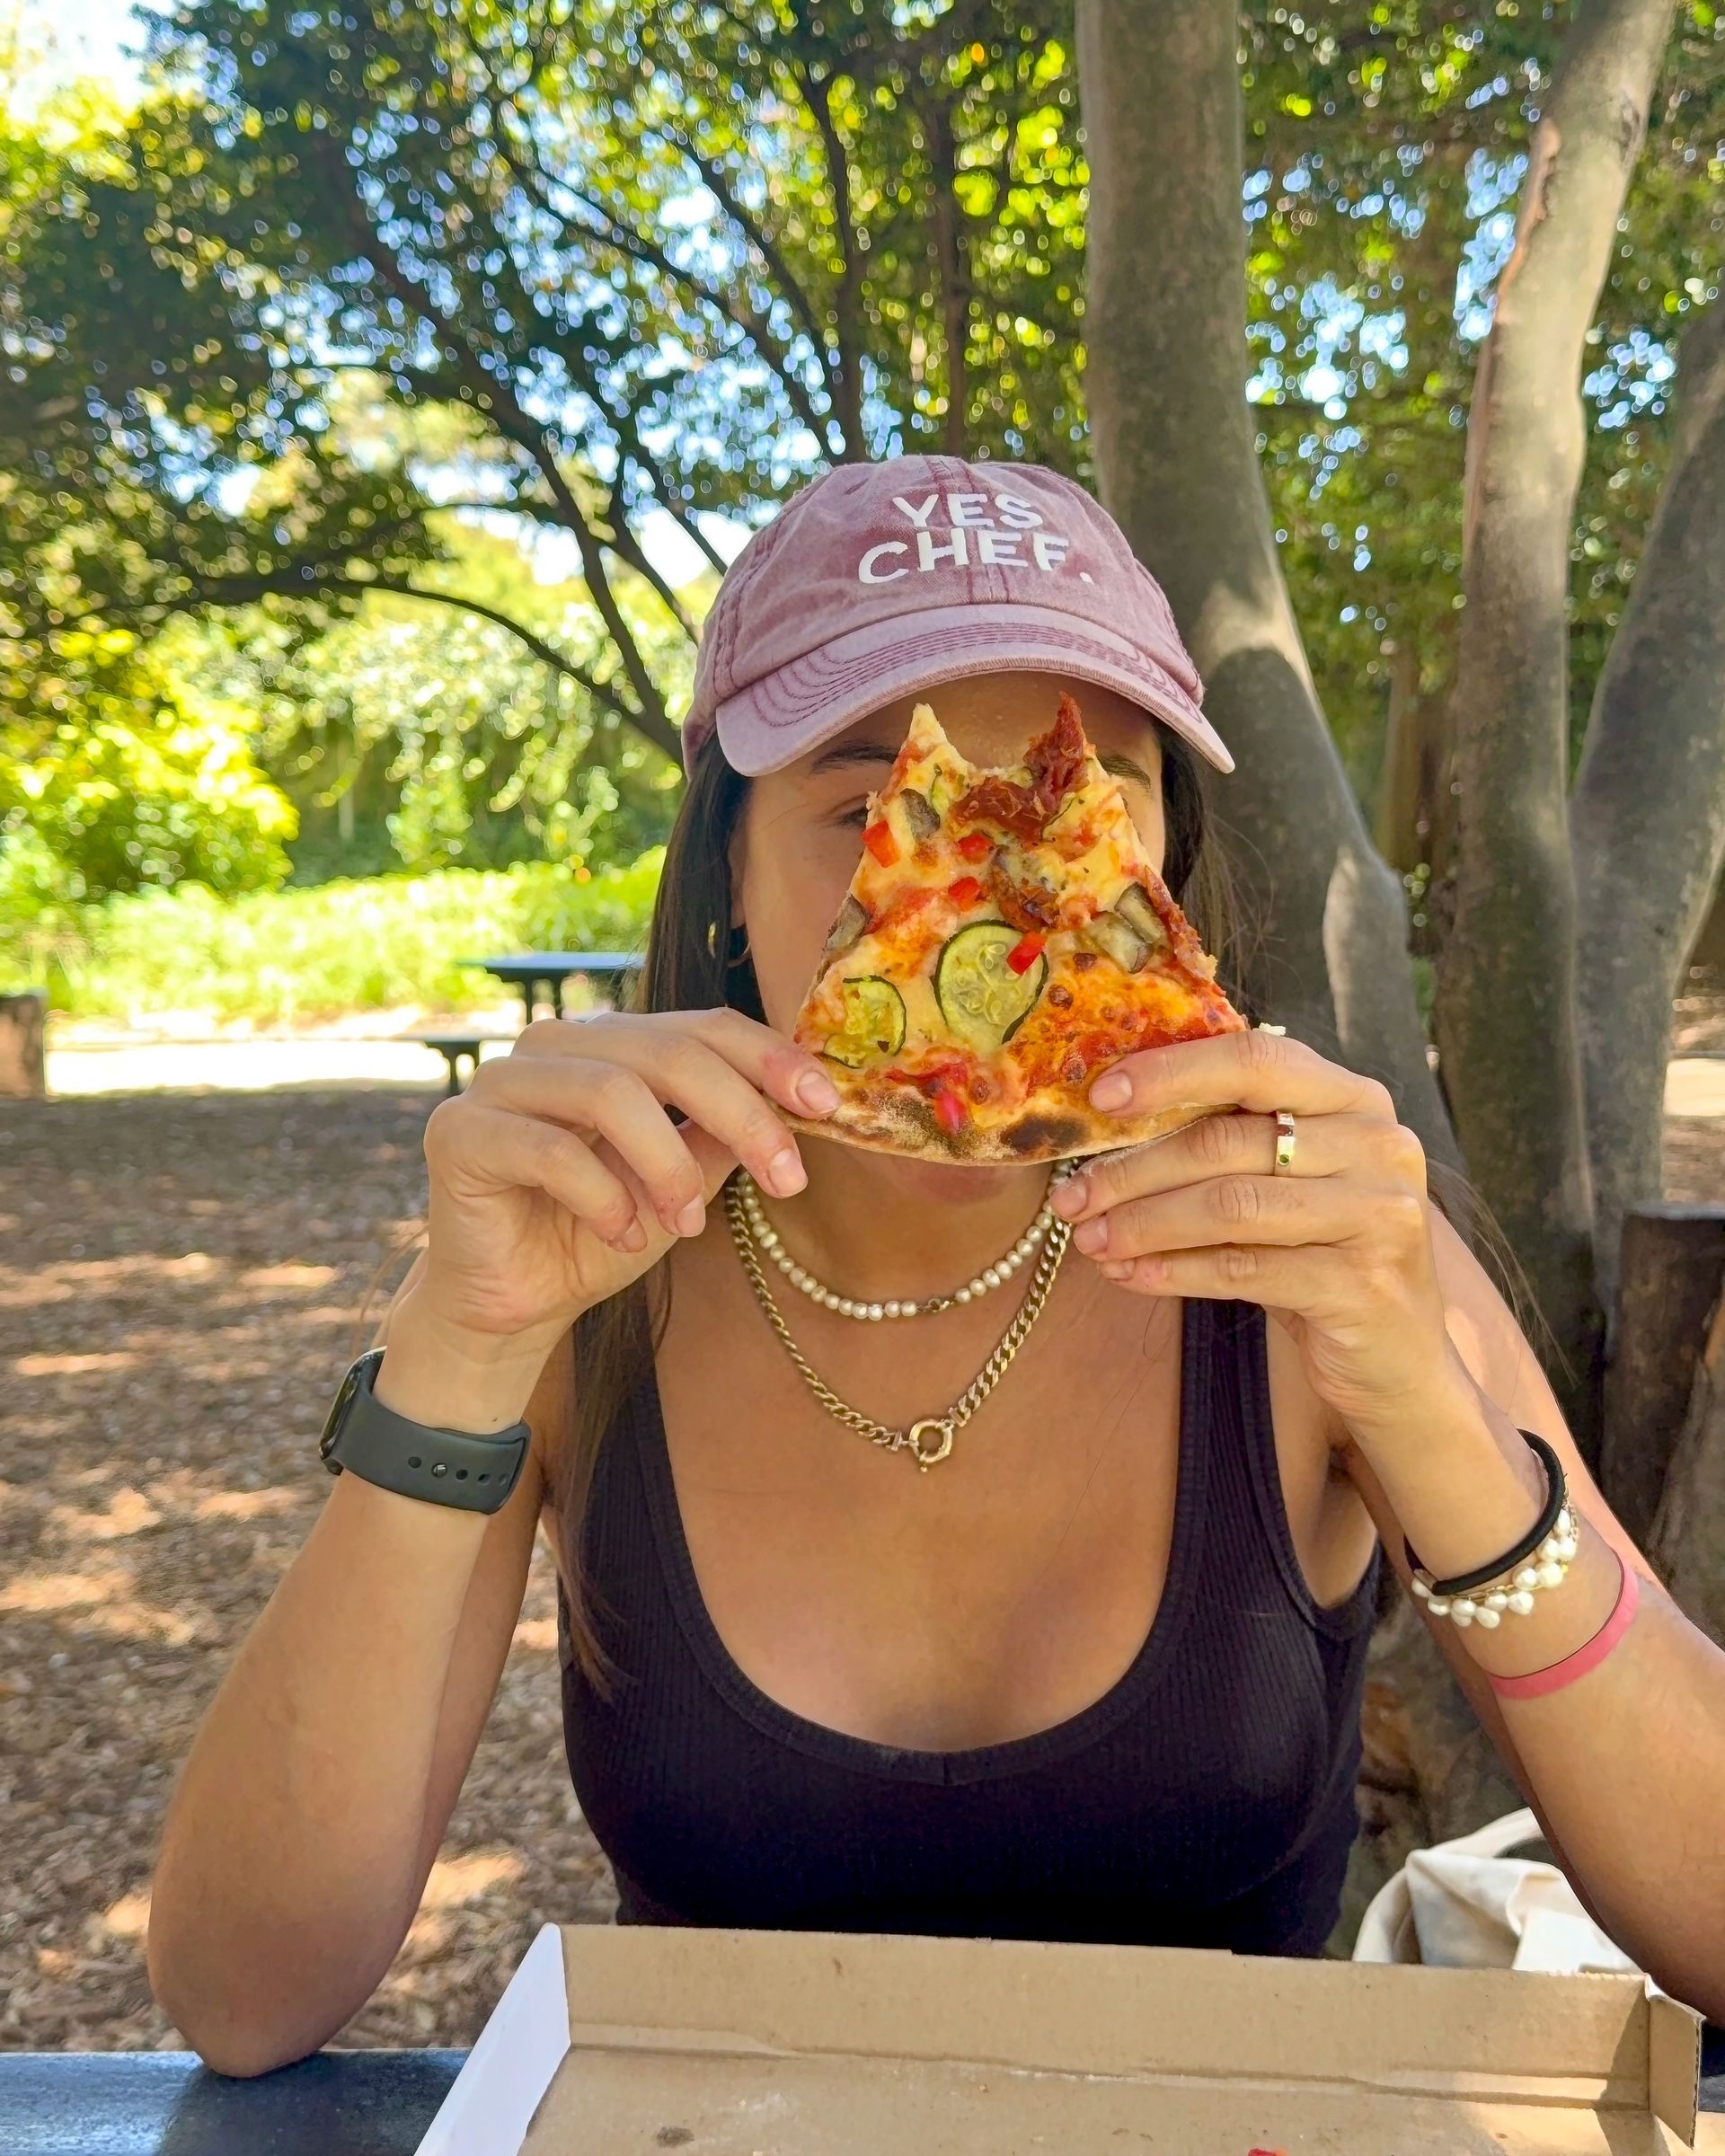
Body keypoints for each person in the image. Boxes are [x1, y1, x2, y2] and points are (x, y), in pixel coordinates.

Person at [146, 456, 1725, 2075]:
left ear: (1165, 876)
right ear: (723, 882)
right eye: (873, 805)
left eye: (1083, 798)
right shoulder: (580, 1293)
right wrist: (453, 1349)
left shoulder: (1330, 1268)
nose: (991, 902)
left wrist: (1437, 1426)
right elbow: (244, 2000)